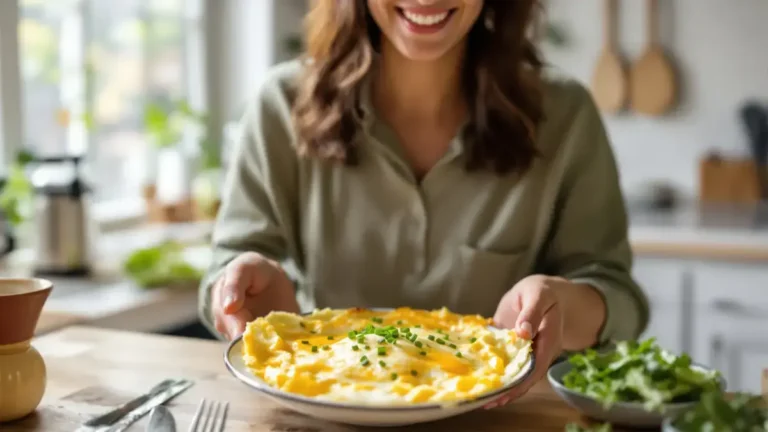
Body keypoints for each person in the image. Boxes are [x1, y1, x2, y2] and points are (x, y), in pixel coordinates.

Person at [199, 0, 649, 405]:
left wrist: (564, 305)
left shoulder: (566, 114)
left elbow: (619, 297)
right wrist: (243, 288)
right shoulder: (281, 104)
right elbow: (225, 272)